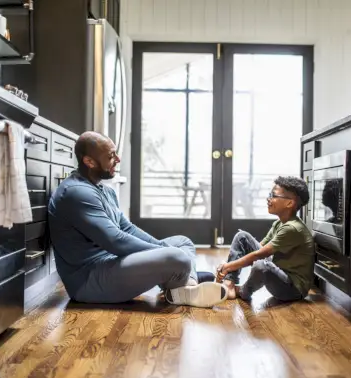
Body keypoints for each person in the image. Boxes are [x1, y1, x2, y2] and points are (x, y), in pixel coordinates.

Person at [48, 131, 227, 307]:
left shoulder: (105, 190)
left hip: (112, 263)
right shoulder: (76, 192)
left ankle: (187, 285)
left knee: (182, 242)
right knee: (178, 257)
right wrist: (163, 252)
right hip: (90, 281)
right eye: (111, 156)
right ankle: (183, 278)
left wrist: (161, 249)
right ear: (89, 162)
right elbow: (116, 241)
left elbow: (127, 228)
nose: (117, 160)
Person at [216, 176, 314, 302]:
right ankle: (229, 283)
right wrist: (230, 265)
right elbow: (258, 248)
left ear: (290, 203)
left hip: (292, 288)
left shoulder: (292, 228)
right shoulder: (279, 223)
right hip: (278, 271)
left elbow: (259, 255)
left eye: (273, 195)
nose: (268, 199)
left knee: (262, 265)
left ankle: (242, 291)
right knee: (242, 237)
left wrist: (228, 266)